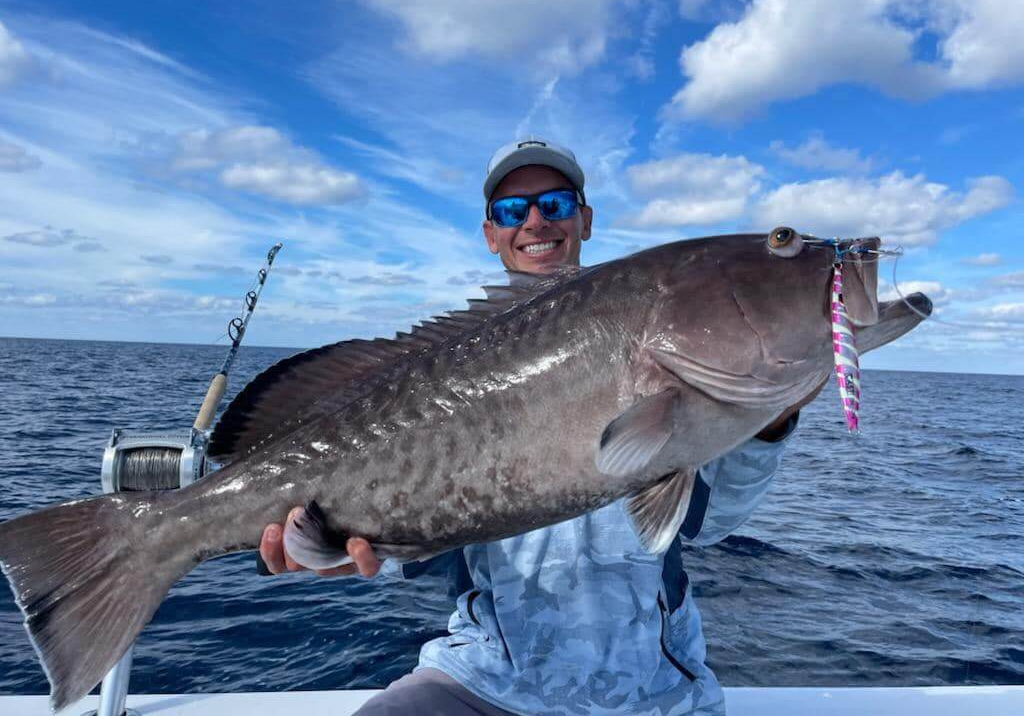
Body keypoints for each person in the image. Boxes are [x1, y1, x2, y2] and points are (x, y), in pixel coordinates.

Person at [259, 137, 813, 715]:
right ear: (490, 234)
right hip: (483, 681)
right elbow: (420, 550)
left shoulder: (665, 339)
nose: (533, 221)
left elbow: (709, 523)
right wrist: (344, 545)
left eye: (554, 204)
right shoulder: (441, 368)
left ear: (584, 219)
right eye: (510, 210)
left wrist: (771, 423)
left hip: (654, 692)